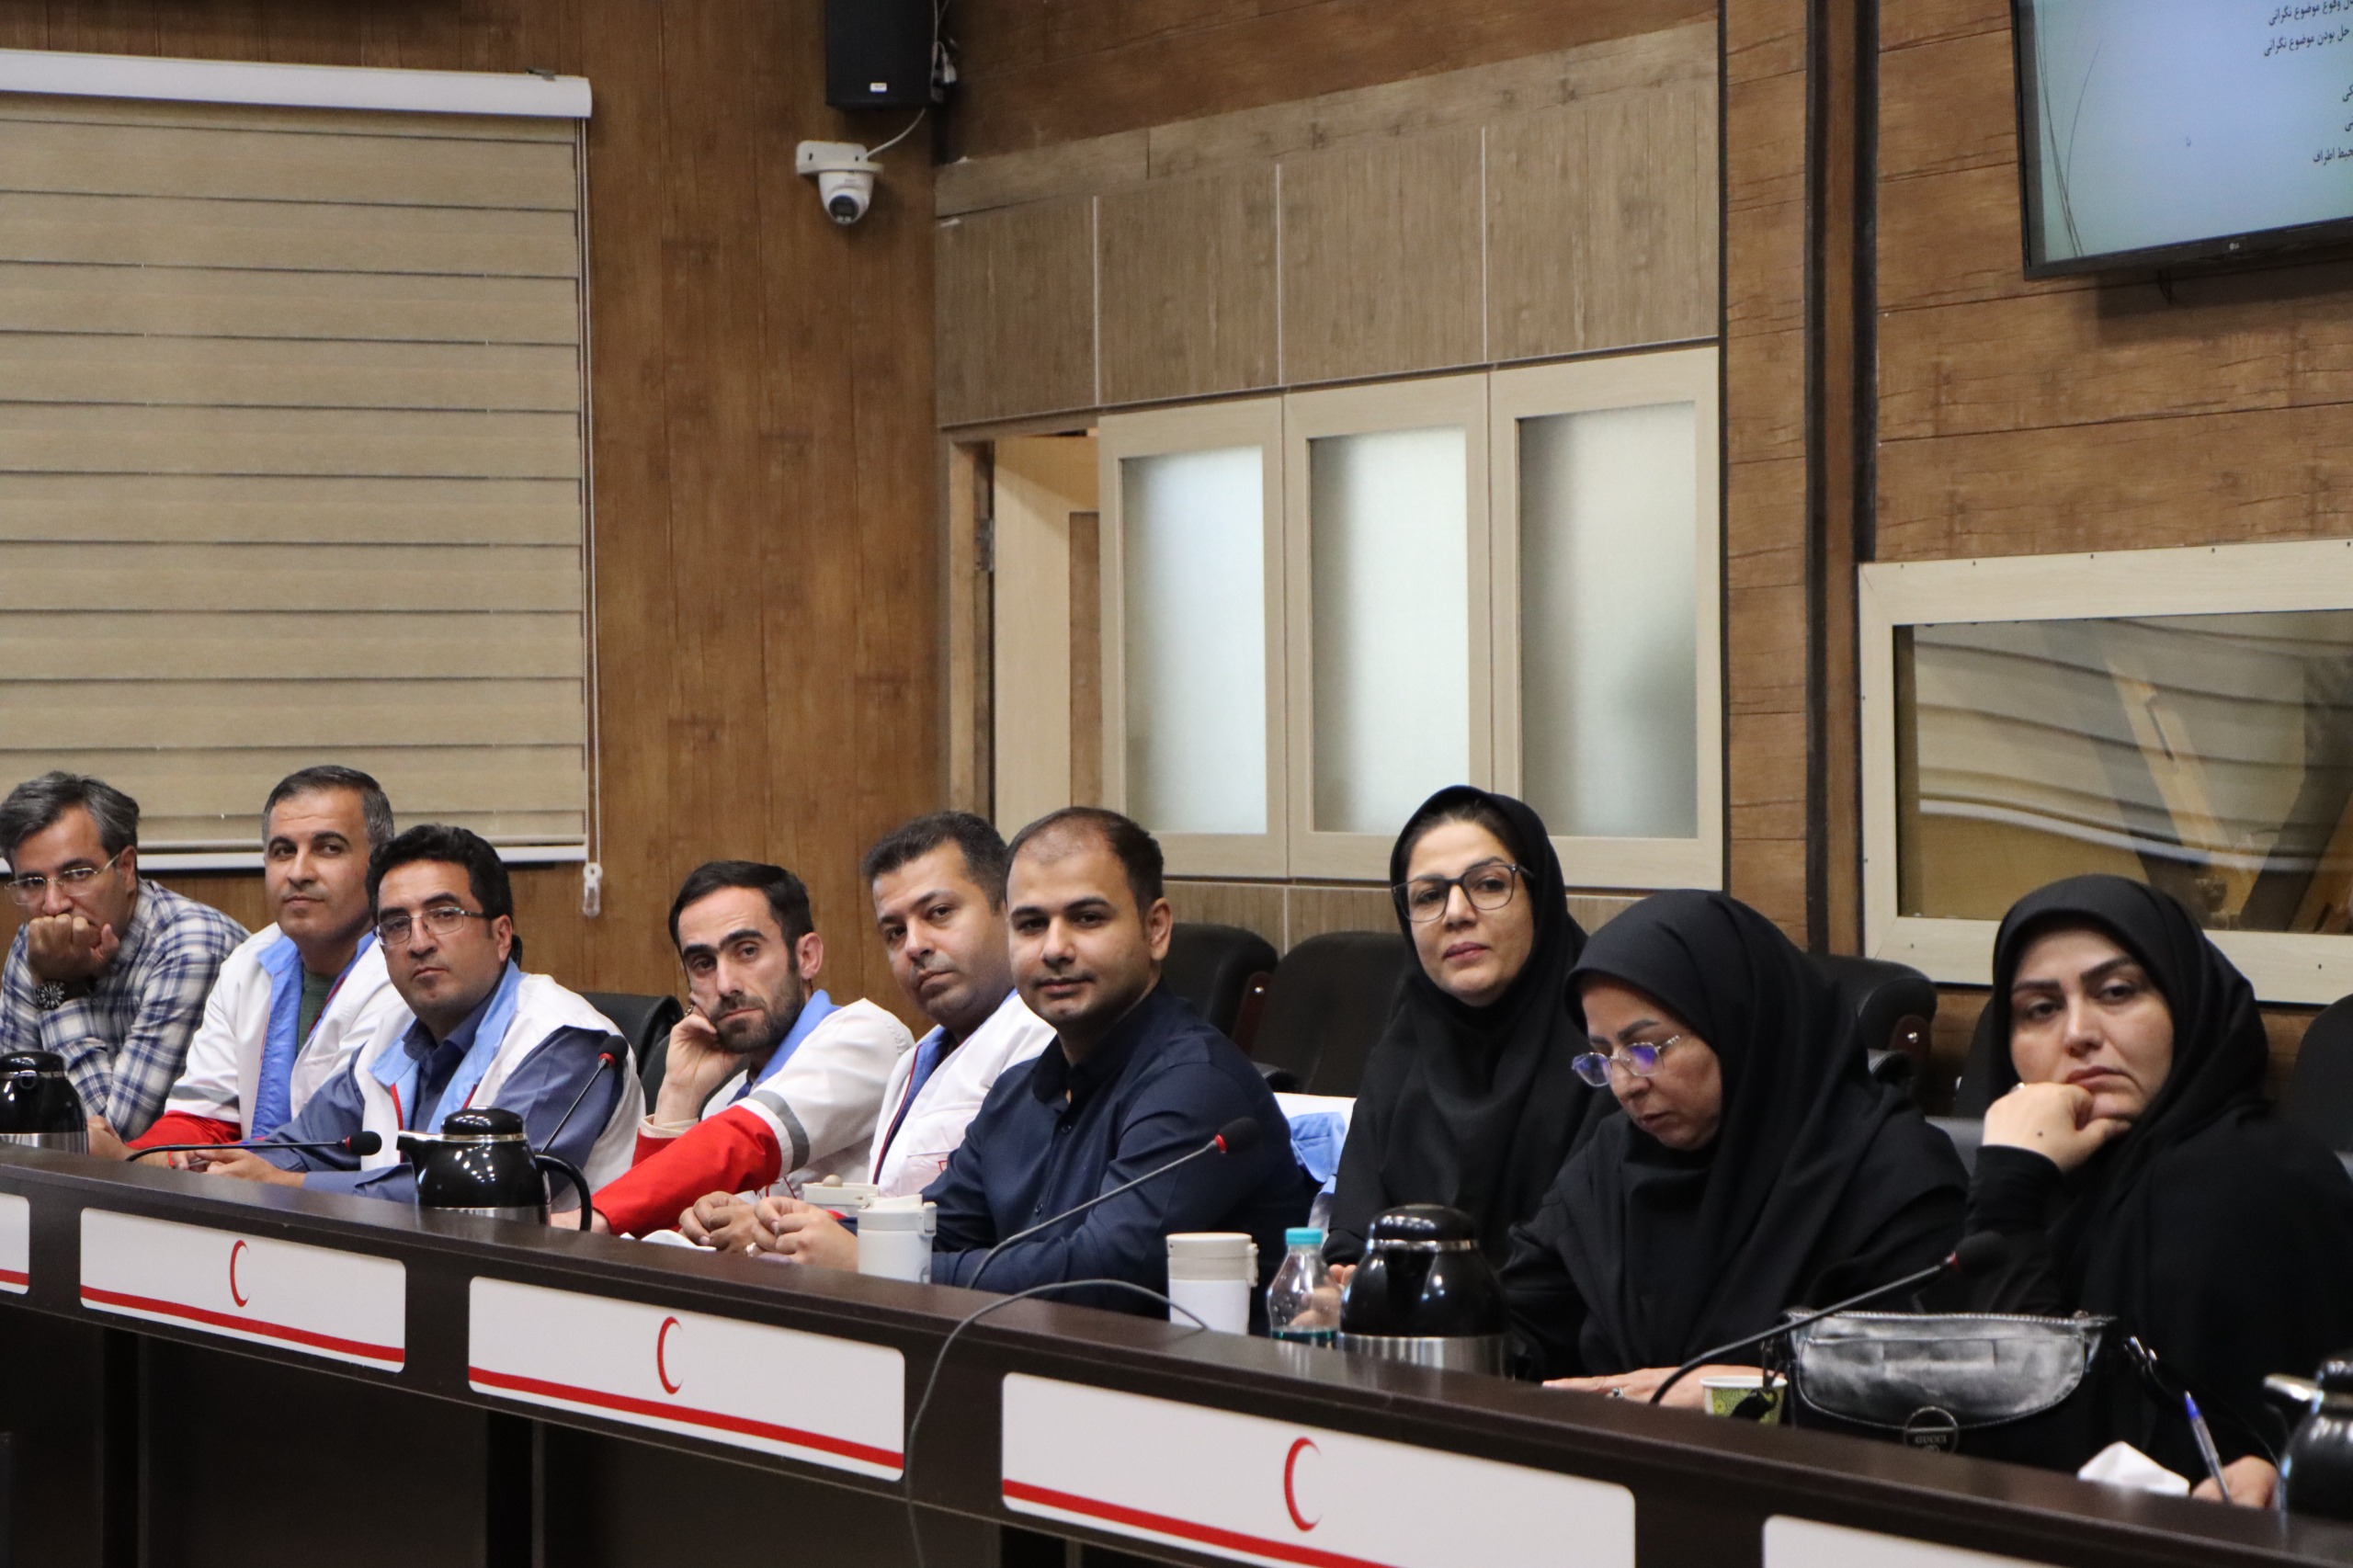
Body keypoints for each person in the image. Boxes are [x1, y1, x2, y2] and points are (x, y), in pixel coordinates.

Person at [1927, 875, 2353, 1506]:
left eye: (2117, 992)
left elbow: (2042, 1450)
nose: (2077, 1032)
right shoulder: (2063, 1180)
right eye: (2040, 1009)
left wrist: (2007, 1198)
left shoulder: (2246, 1185)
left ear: (2185, 1006)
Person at [1505, 889, 1968, 1403]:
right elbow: (1520, 1324)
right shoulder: (1613, 1162)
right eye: (1603, 1056)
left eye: (1645, 1048)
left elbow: (1918, 1392)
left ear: (1739, 1023)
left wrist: (1727, 1398)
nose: (1624, 1084)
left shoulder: (1894, 1176)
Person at [923, 807, 1313, 1316]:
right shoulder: (1016, 1090)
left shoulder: (1198, 1085)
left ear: (1156, 929)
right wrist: (831, 1239)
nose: (1054, 949)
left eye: (1087, 918)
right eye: (1031, 925)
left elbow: (1103, 1274)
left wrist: (888, 1264)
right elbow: (935, 1231)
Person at [674, 812, 1056, 1263]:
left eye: (939, 913)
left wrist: (778, 1235)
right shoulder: (917, 1060)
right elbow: (913, 1217)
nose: (914, 945)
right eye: (895, 932)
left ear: (1009, 910)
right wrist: (775, 1225)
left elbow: (1002, 1239)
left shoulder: (1041, 1039)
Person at [194, 824, 642, 1201]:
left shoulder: (563, 1037)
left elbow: (480, 1192)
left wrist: (290, 1185)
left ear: (501, 935)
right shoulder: (392, 1032)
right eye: (395, 924)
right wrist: (218, 1166)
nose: (419, 942)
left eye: (444, 915)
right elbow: (303, 1145)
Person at [1324, 786, 1600, 1276]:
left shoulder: (1603, 1050)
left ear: (1539, 898)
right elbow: (1354, 1235)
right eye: (1429, 896)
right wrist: (1343, 1283)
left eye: (1489, 885)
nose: (1456, 913)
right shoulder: (1401, 1053)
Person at [85, 767, 409, 1161]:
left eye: (328, 848)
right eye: (283, 851)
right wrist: (141, 1157)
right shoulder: (249, 961)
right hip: (249, 1188)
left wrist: (128, 1161)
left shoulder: (404, 971)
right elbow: (201, 1120)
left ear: (379, 865)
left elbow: (329, 1147)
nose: (298, 872)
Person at [587, 861, 912, 1236]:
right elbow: (653, 1235)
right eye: (704, 963)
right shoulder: (723, 1102)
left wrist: (590, 1218)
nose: (726, 984)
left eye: (747, 951)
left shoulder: (866, 1037)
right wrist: (680, 1091)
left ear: (806, 957)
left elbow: (751, 1140)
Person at [0, 771, 245, 1139]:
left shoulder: (191, 946)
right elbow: (12, 1114)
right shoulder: (37, 940)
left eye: (77, 873)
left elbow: (113, 1138)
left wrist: (59, 987)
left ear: (126, 868)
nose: (52, 905)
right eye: (33, 882)